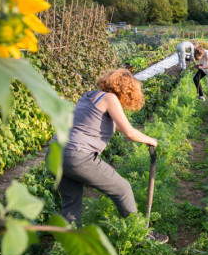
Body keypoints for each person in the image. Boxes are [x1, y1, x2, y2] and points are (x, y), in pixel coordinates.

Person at [50, 69, 168, 243]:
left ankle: (64, 248)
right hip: (77, 156)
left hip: (55, 154)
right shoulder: (110, 98)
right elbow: (128, 132)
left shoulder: (90, 96)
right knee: (122, 189)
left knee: (71, 204)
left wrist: (143, 139)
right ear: (126, 90)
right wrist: (150, 140)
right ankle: (141, 235)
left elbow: (119, 126)